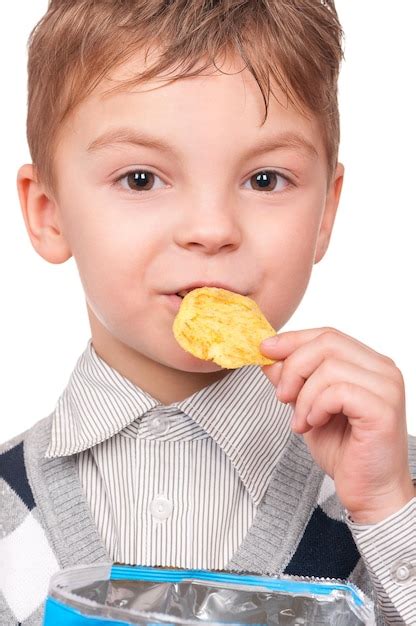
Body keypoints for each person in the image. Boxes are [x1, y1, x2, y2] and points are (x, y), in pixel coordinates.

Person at [0, 0, 415, 624]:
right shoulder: (9, 507)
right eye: (141, 179)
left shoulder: (392, 491)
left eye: (266, 179)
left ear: (325, 213)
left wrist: (387, 509)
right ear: (48, 213)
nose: (212, 228)